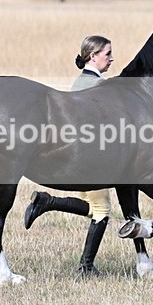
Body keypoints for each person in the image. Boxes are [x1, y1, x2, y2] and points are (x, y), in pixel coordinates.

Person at [24, 35, 114, 276]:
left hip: (84, 160)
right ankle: (86, 266)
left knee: (93, 208)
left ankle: (46, 202)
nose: (112, 58)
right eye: (107, 54)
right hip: (92, 162)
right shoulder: (96, 86)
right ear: (93, 56)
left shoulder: (83, 82)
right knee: (102, 210)